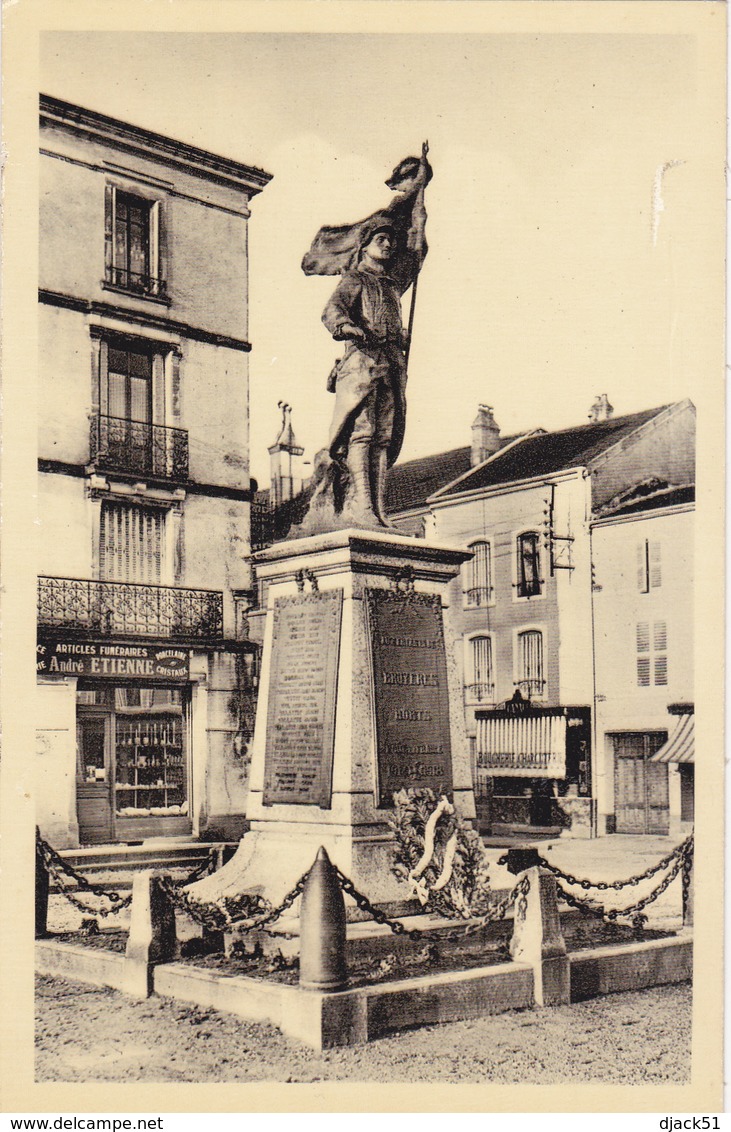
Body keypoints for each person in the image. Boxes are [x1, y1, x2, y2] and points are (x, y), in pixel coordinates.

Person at [320, 157, 429, 527]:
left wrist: (420, 223)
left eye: (390, 241)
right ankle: (362, 507)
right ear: (365, 245)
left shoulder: (391, 286)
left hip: (390, 366)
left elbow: (416, 256)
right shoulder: (356, 279)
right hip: (362, 364)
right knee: (363, 433)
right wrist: (347, 328)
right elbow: (332, 310)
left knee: (384, 436)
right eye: (381, 239)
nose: (387, 245)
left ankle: (380, 510)